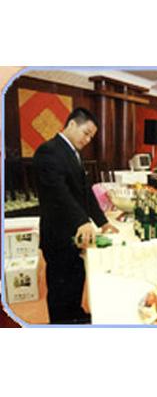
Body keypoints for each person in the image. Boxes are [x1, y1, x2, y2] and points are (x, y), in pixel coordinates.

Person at [33, 108, 118, 324]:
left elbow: (85, 192)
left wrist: (103, 222)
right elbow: (58, 192)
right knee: (60, 287)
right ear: (71, 124)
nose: (88, 140)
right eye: (86, 133)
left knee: (76, 278)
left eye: (91, 137)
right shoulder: (48, 151)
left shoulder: (74, 153)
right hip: (58, 234)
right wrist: (82, 220)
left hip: (76, 234)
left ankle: (76, 316)